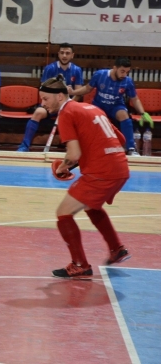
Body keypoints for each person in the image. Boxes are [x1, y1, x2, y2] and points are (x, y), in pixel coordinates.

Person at [38, 75, 131, 278]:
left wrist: (62, 168)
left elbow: (73, 155)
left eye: (45, 99)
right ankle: (116, 249)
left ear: (60, 96)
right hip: (121, 168)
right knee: (91, 206)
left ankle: (80, 264)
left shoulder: (66, 113)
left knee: (63, 213)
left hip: (102, 172)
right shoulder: (91, 107)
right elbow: (121, 139)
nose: (42, 104)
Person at [71, 57, 152, 156]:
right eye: (122, 71)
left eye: (127, 72)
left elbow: (135, 99)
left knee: (124, 116)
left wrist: (142, 113)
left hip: (116, 106)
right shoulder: (100, 75)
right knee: (89, 118)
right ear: (115, 68)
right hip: (99, 105)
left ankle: (130, 148)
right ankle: (85, 147)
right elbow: (87, 89)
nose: (124, 75)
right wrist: (73, 92)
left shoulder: (128, 81)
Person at [18, 43, 84, 152]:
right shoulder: (50, 68)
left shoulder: (77, 70)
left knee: (79, 117)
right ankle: (24, 146)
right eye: (62, 53)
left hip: (68, 105)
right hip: (51, 105)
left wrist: (67, 105)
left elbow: (79, 92)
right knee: (38, 112)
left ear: (72, 55)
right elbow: (43, 90)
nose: (64, 55)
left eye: (67, 53)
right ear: (58, 54)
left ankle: (75, 149)